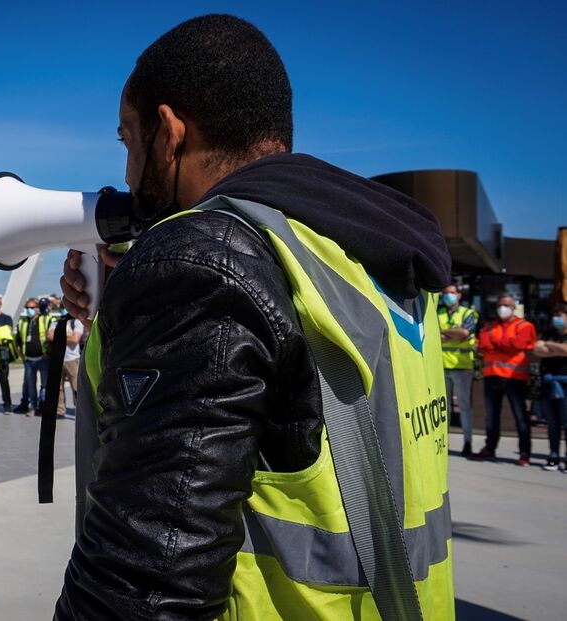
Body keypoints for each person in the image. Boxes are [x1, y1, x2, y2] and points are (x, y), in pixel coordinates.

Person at [57, 15, 454, 619]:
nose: (126, 170)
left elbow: (147, 579)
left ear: (169, 132)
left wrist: (160, 279)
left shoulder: (203, 261)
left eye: (127, 140)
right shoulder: (359, 257)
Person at [475, 294, 537, 465]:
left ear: (513, 307)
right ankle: (490, 448)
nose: (503, 308)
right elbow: (482, 346)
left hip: (514, 378)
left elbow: (518, 345)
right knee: (491, 417)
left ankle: (524, 453)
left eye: (507, 305)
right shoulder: (488, 325)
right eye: (501, 304)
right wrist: (505, 344)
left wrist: (496, 343)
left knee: (520, 416)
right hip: (492, 376)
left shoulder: (525, 326)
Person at [438, 283, 479, 457]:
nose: (449, 295)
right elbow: (433, 334)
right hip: (440, 366)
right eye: (446, 293)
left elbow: (464, 333)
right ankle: (443, 444)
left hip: (462, 367)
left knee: (464, 406)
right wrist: (455, 334)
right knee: (443, 409)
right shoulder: (436, 312)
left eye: (452, 292)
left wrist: (444, 333)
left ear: (459, 295)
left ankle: (467, 443)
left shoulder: (468, 313)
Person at [533, 303, 567, 471]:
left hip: (565, 383)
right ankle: (553, 454)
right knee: (552, 423)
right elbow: (537, 349)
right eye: (555, 316)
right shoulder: (548, 332)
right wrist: (559, 349)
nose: (557, 320)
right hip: (548, 382)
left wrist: (549, 346)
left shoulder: (549, 338)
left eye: (560, 316)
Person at [13, 298, 52, 416]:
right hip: (29, 359)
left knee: (45, 384)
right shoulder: (23, 322)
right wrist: (22, 355)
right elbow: (18, 341)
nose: (29, 310)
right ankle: (32, 406)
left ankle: (43, 406)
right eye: (27, 308)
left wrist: (48, 352)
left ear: (37, 308)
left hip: (43, 359)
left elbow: (51, 338)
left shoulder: (46, 319)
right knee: (30, 384)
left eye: (31, 308)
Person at [48, 309, 83, 418]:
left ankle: (80, 410)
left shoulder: (76, 322)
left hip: (72, 359)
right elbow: (49, 336)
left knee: (76, 386)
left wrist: (59, 336)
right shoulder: (56, 322)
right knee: (58, 387)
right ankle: (60, 410)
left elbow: (75, 339)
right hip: (58, 359)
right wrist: (68, 336)